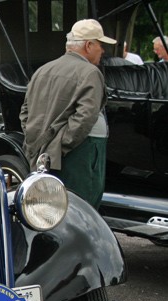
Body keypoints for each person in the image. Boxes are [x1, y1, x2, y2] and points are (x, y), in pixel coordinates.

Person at [20, 19, 116, 210]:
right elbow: (85, 117)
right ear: (88, 45)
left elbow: (25, 113)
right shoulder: (90, 72)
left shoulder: (43, 70)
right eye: (100, 45)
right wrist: (62, 144)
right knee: (83, 210)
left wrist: (39, 140)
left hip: (44, 153)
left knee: (51, 209)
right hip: (81, 151)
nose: (103, 51)